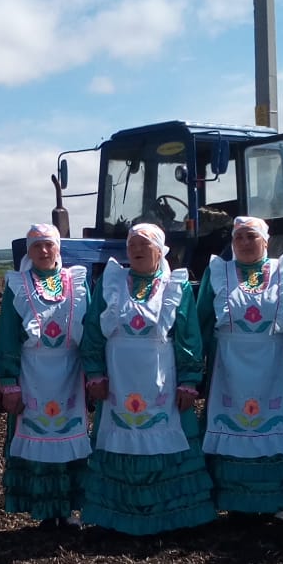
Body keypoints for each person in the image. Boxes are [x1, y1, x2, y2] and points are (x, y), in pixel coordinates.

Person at [80, 223, 217, 534]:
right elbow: (92, 331)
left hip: (161, 381)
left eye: (144, 244)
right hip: (118, 380)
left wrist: (189, 380)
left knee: (165, 436)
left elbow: (188, 336)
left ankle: (169, 514)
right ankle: (116, 514)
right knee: (119, 436)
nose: (137, 250)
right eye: (132, 246)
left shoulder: (175, 286)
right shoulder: (111, 283)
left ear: (160, 250)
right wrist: (95, 373)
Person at [197, 216, 283, 520]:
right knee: (229, 425)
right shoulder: (219, 272)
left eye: (252, 237)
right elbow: (203, 319)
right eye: (239, 238)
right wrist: (195, 366)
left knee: (271, 426)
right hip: (228, 367)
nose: (246, 243)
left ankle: (273, 500)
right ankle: (232, 498)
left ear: (266, 240)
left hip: (272, 366)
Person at [0, 224, 91, 529]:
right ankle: (45, 509)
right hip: (32, 372)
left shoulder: (77, 282)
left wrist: (95, 374)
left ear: (58, 248)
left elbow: (90, 330)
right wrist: (8, 382)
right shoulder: (17, 285)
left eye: (49, 245)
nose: (44, 251)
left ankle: (67, 508)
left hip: (70, 374)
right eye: (37, 246)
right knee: (38, 437)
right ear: (29, 251)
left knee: (69, 437)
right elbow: (8, 335)